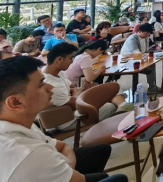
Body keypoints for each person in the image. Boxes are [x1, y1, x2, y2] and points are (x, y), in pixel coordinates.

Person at [0, 56, 128, 182]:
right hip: (48, 165)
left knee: (102, 151)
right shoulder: (29, 153)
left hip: (54, 162)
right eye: (41, 84)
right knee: (118, 179)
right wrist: (68, 170)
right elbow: (79, 179)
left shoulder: (18, 122)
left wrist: (67, 167)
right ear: (15, 102)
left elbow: (62, 146)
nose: (50, 87)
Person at [43, 43, 129, 132]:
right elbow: (76, 106)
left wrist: (75, 94)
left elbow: (72, 87)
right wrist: (77, 95)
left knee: (111, 88)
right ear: (59, 59)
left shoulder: (57, 73)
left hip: (76, 106)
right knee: (111, 106)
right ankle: (121, 116)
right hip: (71, 119)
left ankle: (122, 106)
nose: (72, 62)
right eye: (70, 58)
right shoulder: (52, 86)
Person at [120, 23, 160, 94]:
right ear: (139, 31)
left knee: (152, 64)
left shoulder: (146, 38)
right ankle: (151, 87)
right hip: (128, 61)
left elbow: (147, 50)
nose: (147, 35)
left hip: (139, 59)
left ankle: (152, 87)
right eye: (146, 33)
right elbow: (137, 54)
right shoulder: (132, 39)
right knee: (150, 65)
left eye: (148, 33)